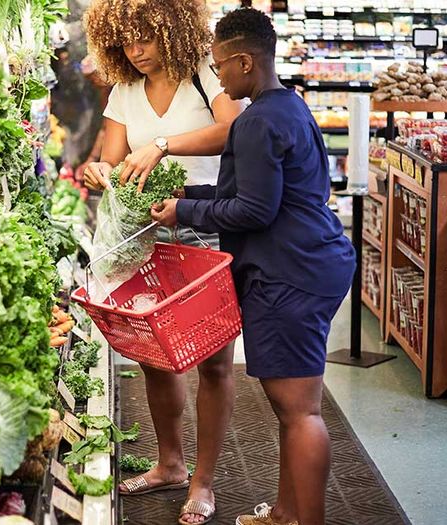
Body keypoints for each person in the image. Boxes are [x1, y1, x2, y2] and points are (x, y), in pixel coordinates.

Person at [150, 8, 356, 525]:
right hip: (313, 260)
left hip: (290, 273)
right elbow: (261, 192)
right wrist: (188, 192)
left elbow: (254, 210)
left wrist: (185, 211)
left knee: (300, 411)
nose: (217, 75)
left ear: (244, 61)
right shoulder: (289, 107)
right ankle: (286, 513)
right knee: (294, 413)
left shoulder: (256, 121)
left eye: (220, 65)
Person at [82, 1, 245, 523]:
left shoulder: (205, 72)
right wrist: (96, 172)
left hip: (207, 223)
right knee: (155, 353)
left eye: (145, 38)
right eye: (125, 42)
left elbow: (232, 131)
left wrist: (161, 145)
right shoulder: (125, 91)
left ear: (172, 29)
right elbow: (109, 158)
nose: (136, 50)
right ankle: (169, 463)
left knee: (215, 360)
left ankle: (204, 483)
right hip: (146, 236)